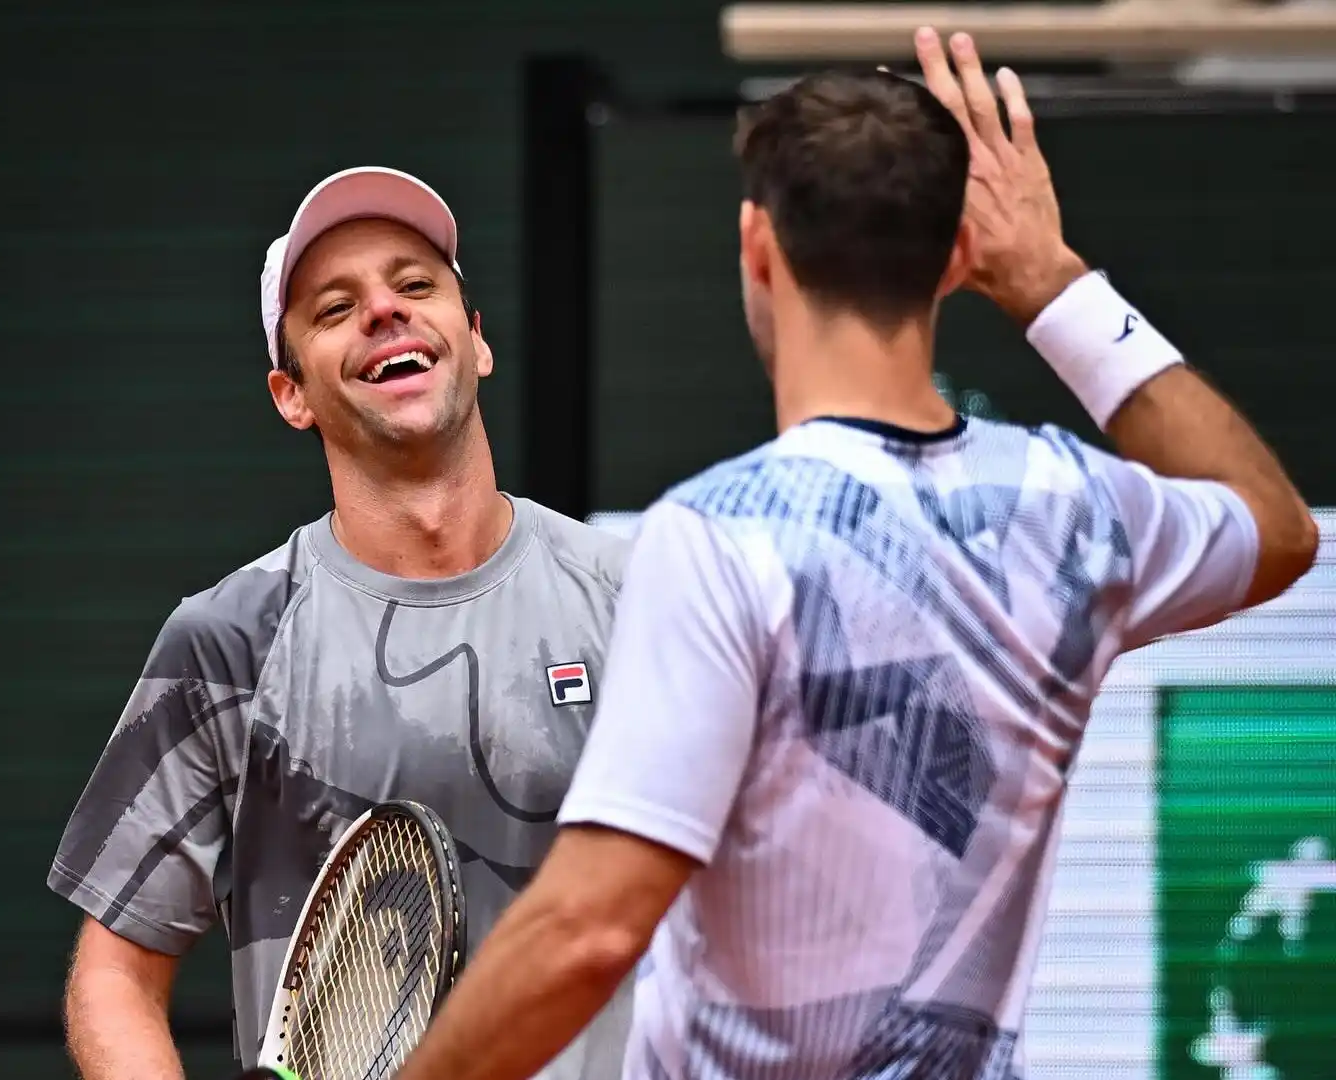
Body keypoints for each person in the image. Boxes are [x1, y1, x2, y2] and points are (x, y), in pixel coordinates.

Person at [394, 27, 1320, 1080]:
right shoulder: (1074, 506)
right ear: (959, 257)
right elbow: (1277, 527)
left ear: (757, 243)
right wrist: (1054, 282)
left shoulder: (715, 536)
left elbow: (588, 933)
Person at [47, 166, 633, 1079]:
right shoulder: (230, 639)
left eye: (415, 285)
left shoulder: (637, 597)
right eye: (335, 308)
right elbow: (114, 972)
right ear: (292, 395)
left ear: (476, 342)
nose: (385, 312)